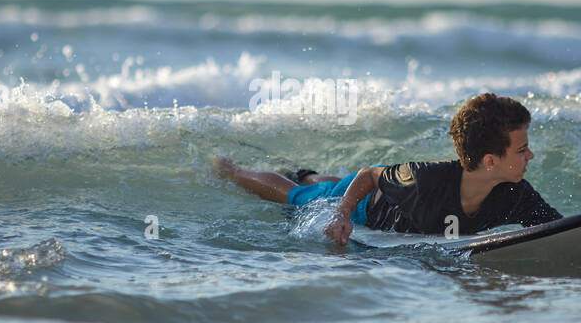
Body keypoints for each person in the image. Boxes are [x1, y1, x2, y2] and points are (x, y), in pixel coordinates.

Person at [214, 92, 562, 246]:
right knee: (298, 197)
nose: (530, 155)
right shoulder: (424, 180)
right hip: (366, 206)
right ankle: (231, 171)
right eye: (522, 148)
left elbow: (561, 230)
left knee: (326, 182)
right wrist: (341, 215)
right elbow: (369, 175)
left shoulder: (516, 195)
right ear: (490, 161)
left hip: (379, 195)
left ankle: (302, 170)